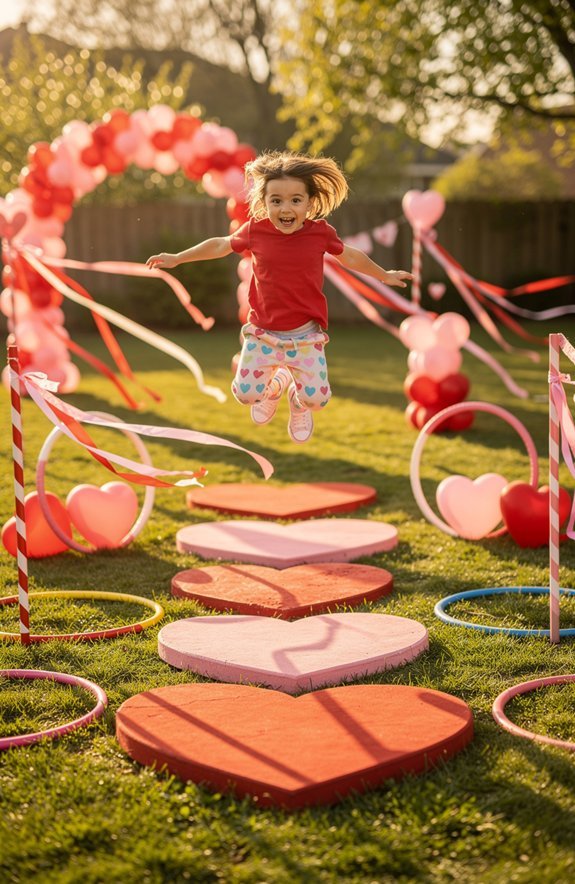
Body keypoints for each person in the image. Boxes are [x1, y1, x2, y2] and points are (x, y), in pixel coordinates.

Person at [146, 150, 413, 443]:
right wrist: (177, 258)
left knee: (317, 400)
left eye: (295, 200)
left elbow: (350, 256)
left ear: (309, 203)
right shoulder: (256, 231)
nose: (286, 208)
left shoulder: (320, 233)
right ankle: (275, 388)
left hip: (305, 335)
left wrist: (384, 275)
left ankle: (298, 403)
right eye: (276, 201)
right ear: (264, 203)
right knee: (246, 395)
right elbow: (220, 245)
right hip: (263, 333)